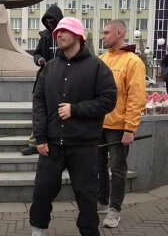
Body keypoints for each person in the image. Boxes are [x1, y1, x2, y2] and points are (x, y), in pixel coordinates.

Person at [29, 17, 117, 236]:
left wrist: (75, 109)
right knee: (42, 191)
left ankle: (88, 232)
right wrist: (40, 137)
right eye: (57, 31)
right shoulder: (49, 68)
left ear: (79, 35)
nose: (59, 34)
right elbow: (38, 102)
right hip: (51, 144)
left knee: (87, 195)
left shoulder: (97, 66)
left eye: (64, 30)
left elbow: (108, 100)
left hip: (83, 145)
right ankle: (38, 229)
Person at [97, 20, 146, 228]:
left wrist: (130, 128)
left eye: (106, 32)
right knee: (97, 166)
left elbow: (136, 97)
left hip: (118, 127)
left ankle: (114, 210)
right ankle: (101, 201)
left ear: (119, 33)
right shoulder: (101, 59)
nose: (103, 36)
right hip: (98, 124)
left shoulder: (133, 62)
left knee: (117, 169)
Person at [21, 4, 63, 156]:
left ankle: (58, 143)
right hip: (45, 78)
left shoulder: (64, 34)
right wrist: (39, 60)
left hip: (63, 80)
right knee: (39, 111)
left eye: (53, 21)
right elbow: (37, 53)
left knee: (60, 112)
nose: (51, 24)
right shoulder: (44, 36)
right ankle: (34, 142)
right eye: (48, 21)